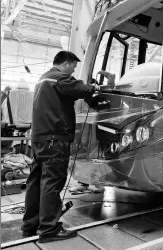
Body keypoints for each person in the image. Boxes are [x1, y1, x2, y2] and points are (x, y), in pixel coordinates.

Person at [21, 51, 100, 243]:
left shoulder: (43, 79)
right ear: (65, 64)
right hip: (55, 139)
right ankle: (49, 229)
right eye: (73, 67)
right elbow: (82, 89)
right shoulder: (60, 78)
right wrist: (95, 86)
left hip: (40, 138)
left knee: (36, 181)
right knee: (52, 182)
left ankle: (30, 225)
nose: (73, 71)